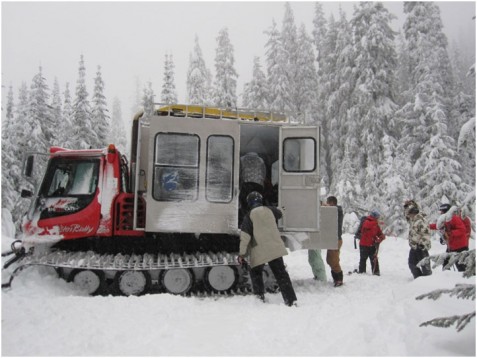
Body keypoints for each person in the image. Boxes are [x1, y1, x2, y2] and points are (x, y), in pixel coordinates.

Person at [238, 191, 297, 307]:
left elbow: (245, 238)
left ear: (249, 203)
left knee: (255, 273)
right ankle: (291, 300)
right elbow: (281, 212)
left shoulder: (248, 216)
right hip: (274, 248)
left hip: (259, 251)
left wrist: (242, 254)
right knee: (282, 275)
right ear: (260, 200)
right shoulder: (270, 210)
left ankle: (260, 298)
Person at [429, 203, 468, 272]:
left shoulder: (454, 218)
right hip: (452, 246)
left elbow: (462, 230)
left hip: (460, 247)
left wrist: (450, 234)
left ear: (445, 211)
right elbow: (438, 225)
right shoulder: (446, 218)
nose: (440, 213)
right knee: (446, 263)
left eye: (441, 211)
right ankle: (447, 278)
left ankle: (465, 280)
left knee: (461, 266)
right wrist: (428, 226)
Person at [403, 200, 432, 279]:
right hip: (414, 247)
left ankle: (428, 281)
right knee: (412, 264)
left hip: (421, 247)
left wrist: (422, 245)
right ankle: (418, 279)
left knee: (425, 266)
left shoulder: (421, 221)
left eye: (409, 213)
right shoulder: (412, 220)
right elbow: (406, 216)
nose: (408, 215)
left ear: (413, 213)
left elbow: (426, 234)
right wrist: (406, 207)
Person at [239, 152, 266, 219]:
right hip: (258, 185)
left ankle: (245, 218)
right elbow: (264, 173)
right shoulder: (261, 160)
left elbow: (239, 172)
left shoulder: (241, 159)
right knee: (257, 203)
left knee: (245, 203)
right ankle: (256, 218)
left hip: (246, 184)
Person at [358, 210, 386, 275]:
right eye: (378, 217)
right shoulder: (371, 223)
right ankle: (374, 272)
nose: (378, 219)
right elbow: (375, 232)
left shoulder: (368, 222)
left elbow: (377, 233)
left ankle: (363, 272)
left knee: (364, 259)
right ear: (375, 217)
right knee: (372, 259)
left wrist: (380, 237)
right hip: (369, 244)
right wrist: (379, 238)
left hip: (365, 244)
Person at [325, 196, 344, 287]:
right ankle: (336, 278)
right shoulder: (334, 211)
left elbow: (334, 209)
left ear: (332, 203)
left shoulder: (337, 210)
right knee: (330, 260)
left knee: (334, 260)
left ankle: (339, 279)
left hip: (336, 239)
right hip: (333, 239)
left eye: (328, 203)